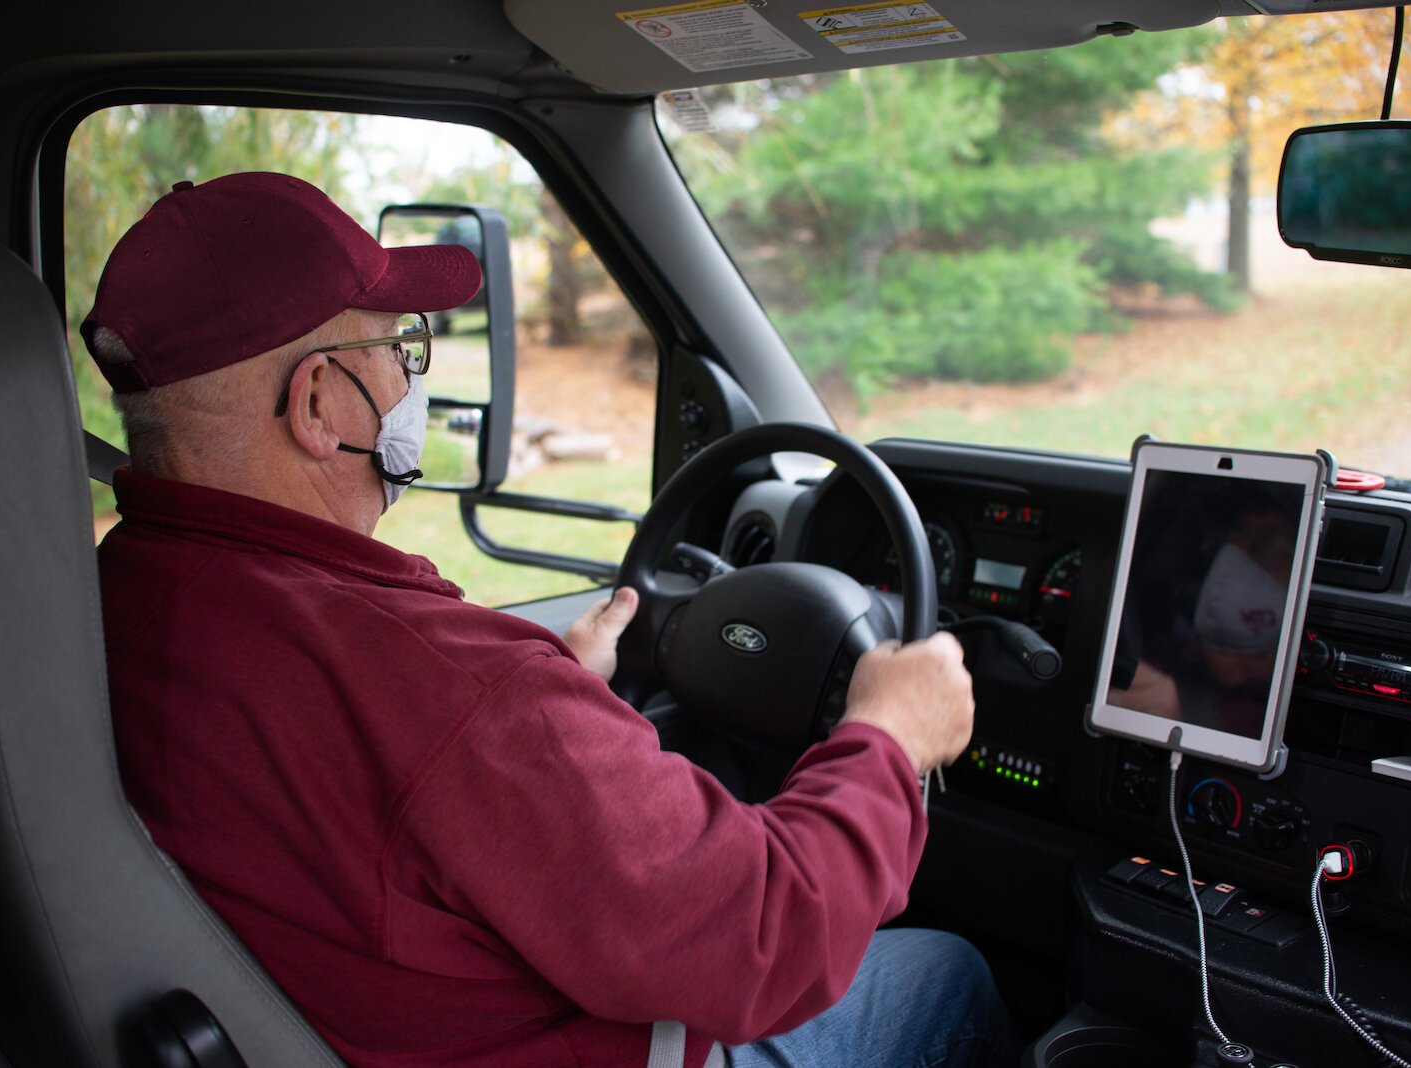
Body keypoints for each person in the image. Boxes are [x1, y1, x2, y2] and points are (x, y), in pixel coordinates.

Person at [84, 171, 1017, 1068]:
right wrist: (889, 738)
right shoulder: (454, 694)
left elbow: (385, 797)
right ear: (321, 401)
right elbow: (769, 939)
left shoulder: (117, 598)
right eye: (398, 350)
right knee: (952, 978)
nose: (412, 380)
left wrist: (546, 711)